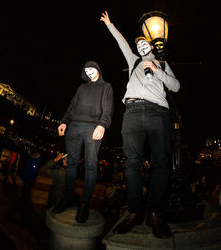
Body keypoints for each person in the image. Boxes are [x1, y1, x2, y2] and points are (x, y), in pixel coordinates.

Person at [100, 11, 180, 238]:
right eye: (141, 44)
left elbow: (175, 87)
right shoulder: (133, 60)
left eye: (146, 44)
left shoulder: (161, 63)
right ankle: (135, 211)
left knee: (161, 162)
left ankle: (154, 213)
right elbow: (122, 42)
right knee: (132, 162)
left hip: (158, 112)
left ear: (152, 49)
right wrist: (110, 24)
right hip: (133, 111)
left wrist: (157, 71)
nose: (143, 46)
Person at [56, 60, 114, 223]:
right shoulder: (82, 88)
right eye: (86, 70)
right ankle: (67, 198)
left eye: (91, 69)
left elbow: (108, 108)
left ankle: (84, 204)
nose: (88, 72)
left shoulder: (106, 87)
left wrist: (102, 125)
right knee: (71, 163)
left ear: (97, 69)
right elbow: (72, 106)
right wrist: (64, 121)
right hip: (74, 127)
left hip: (92, 128)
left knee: (90, 165)